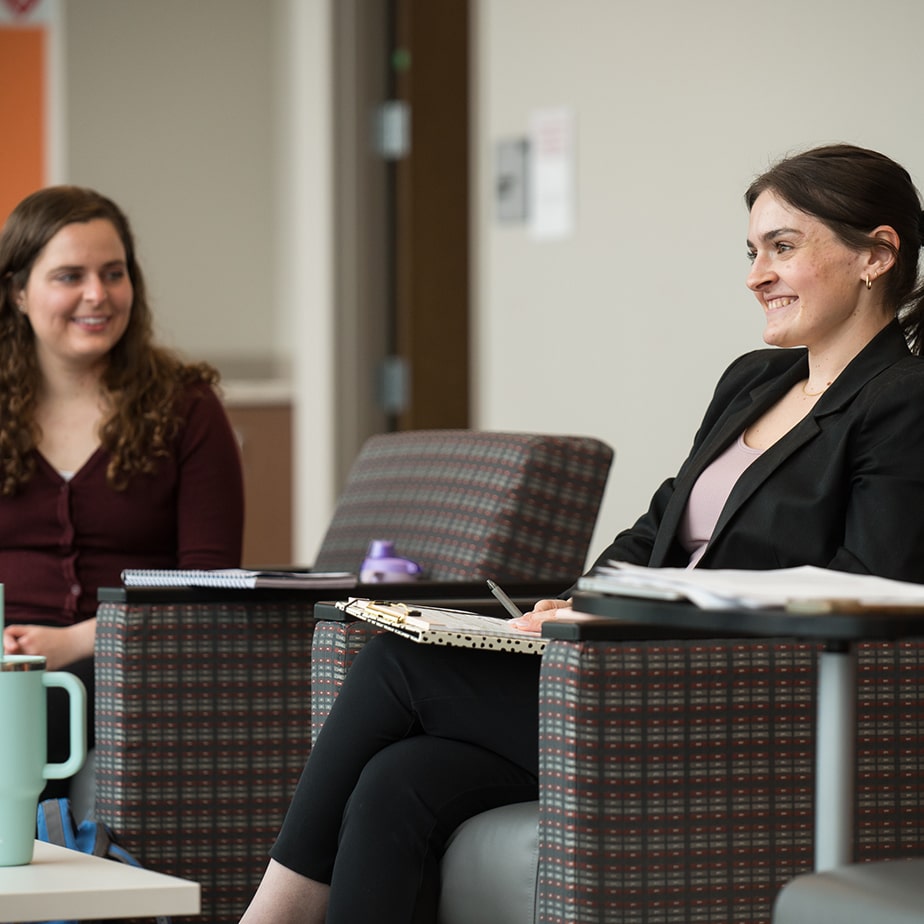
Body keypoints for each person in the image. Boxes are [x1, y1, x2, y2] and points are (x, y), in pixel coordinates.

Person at [238, 143, 924, 923]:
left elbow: (870, 586)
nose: (755, 275)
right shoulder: (755, 380)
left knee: (398, 664)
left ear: (876, 255)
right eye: (752, 250)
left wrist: (635, 617)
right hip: (630, 677)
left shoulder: (902, 401)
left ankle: (272, 913)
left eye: (783, 247)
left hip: (736, 706)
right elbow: (657, 527)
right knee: (402, 777)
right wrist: (569, 606)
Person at [0, 185, 244, 794]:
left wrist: (79, 638)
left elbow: (209, 582)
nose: (97, 295)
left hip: (131, 658)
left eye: (114, 273)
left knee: (34, 710)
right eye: (69, 275)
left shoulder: (186, 407)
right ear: (18, 292)